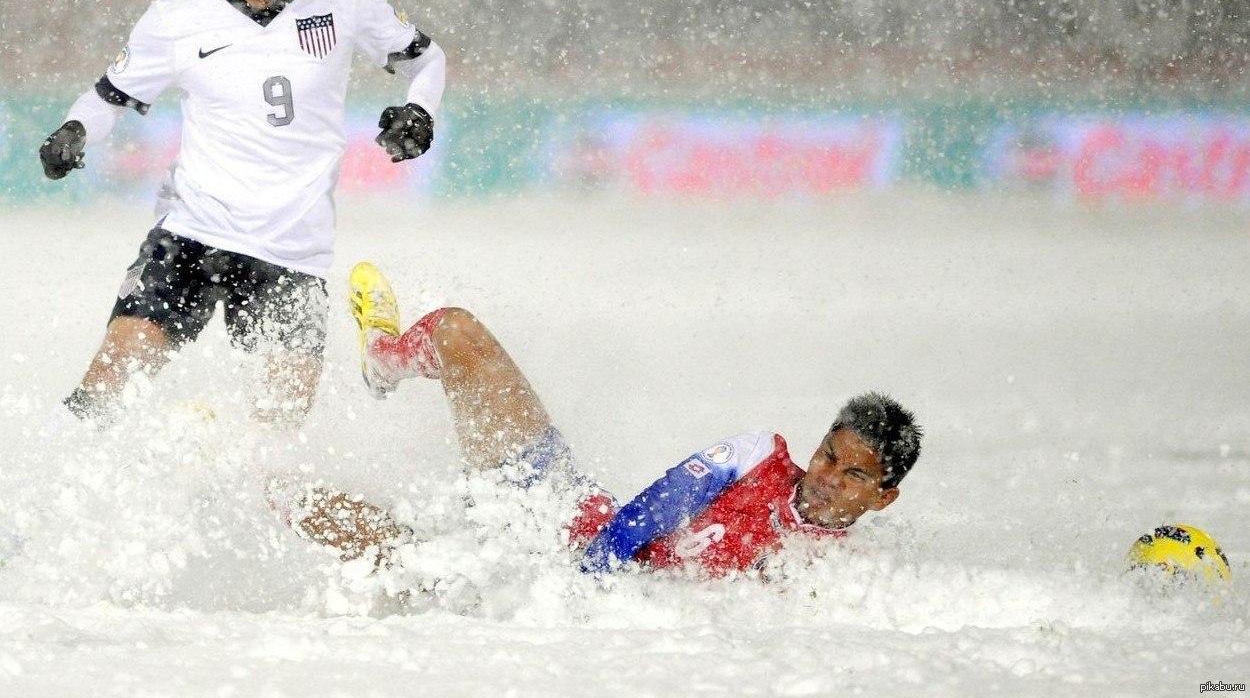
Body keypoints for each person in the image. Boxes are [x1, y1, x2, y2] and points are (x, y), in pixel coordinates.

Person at [38, 0, 445, 428]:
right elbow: (109, 99)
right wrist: (75, 129)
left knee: (274, 444)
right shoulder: (178, 16)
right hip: (191, 236)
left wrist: (420, 110)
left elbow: (427, 59)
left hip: (293, 253)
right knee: (98, 399)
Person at [286, 262, 923, 577]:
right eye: (829, 456)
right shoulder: (763, 453)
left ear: (884, 498)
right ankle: (383, 358)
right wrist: (593, 570)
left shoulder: (844, 570)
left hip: (541, 580)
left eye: (854, 476)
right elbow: (666, 501)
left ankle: (245, 469)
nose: (827, 477)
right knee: (457, 330)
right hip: (560, 512)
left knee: (360, 537)